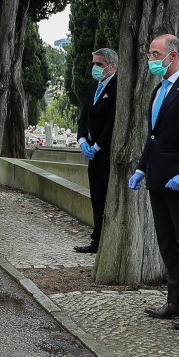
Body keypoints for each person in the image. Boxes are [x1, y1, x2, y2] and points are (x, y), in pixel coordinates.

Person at [128, 33, 179, 328]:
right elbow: (153, 139)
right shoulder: (159, 90)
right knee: (167, 244)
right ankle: (177, 301)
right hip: (158, 180)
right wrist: (141, 169)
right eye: (150, 54)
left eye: (154, 54)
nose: (150, 60)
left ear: (172, 56)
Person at [75, 48, 119, 254]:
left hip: (107, 152)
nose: (95, 68)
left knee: (108, 198)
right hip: (92, 151)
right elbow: (84, 117)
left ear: (112, 66)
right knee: (97, 196)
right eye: (93, 64)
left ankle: (107, 240)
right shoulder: (94, 86)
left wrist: (98, 145)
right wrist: (83, 140)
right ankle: (97, 240)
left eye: (99, 65)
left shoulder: (118, 86)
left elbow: (113, 121)